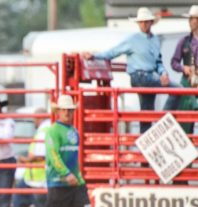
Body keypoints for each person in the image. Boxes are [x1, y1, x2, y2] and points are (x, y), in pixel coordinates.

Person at [83, 7, 180, 133]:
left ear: (151, 22)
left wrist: (164, 73)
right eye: (141, 22)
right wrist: (95, 55)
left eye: (146, 21)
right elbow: (113, 52)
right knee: (177, 89)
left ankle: (147, 138)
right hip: (139, 77)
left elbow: (158, 61)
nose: (144, 24)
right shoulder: (132, 39)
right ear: (138, 23)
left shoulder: (155, 40)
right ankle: (163, 121)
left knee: (147, 111)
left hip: (150, 77)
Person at [44, 95, 102, 207]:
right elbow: (53, 156)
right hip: (58, 181)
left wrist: (75, 175)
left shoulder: (73, 131)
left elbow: (72, 157)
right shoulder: (53, 131)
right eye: (65, 110)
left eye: (70, 110)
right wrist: (65, 173)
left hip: (75, 180)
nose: (68, 112)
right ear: (58, 111)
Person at [12, 108, 50, 207]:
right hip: (32, 178)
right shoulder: (46, 130)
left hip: (38, 179)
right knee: (20, 203)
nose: (33, 121)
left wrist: (24, 159)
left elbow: (40, 155)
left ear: (39, 118)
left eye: (34, 118)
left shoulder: (43, 131)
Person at [170, 5, 198, 135]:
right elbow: (174, 62)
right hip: (188, 82)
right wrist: (183, 68)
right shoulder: (184, 41)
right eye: (191, 19)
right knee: (186, 120)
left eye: (195, 19)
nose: (192, 21)